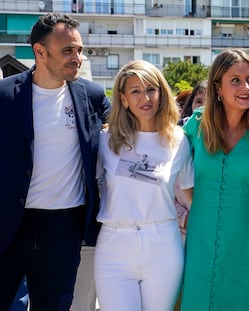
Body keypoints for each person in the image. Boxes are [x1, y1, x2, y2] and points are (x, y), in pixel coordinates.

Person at [0, 13, 110, 311]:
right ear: (40, 51)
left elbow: (129, 130)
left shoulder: (93, 95)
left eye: (79, 50)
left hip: (63, 229)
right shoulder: (5, 95)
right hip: (9, 224)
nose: (77, 58)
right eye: (67, 51)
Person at [180, 48, 249, 310]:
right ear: (217, 87)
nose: (247, 87)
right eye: (236, 80)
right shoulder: (196, 125)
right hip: (202, 239)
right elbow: (169, 170)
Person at [94, 60, 193, 311]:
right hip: (113, 247)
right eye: (135, 91)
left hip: (163, 246)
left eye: (151, 89)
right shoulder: (106, 140)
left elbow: (194, 199)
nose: (145, 97)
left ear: (161, 93)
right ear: (123, 98)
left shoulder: (178, 140)